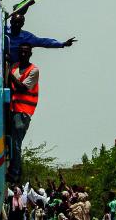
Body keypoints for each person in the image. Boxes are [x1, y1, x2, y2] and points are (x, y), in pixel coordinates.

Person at [7, 44, 39, 183]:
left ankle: (15, 173)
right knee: (9, 141)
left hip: (23, 111)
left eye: (26, 52)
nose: (23, 54)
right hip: (12, 109)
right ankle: (15, 169)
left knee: (16, 142)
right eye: (21, 52)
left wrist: (8, 73)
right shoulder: (14, 67)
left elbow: (22, 88)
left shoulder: (34, 70)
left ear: (30, 54)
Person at [5, 13, 76, 62]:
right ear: (11, 22)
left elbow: (44, 42)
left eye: (19, 23)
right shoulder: (2, 31)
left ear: (23, 24)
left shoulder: (27, 37)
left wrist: (62, 44)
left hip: (15, 68)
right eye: (15, 22)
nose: (17, 25)